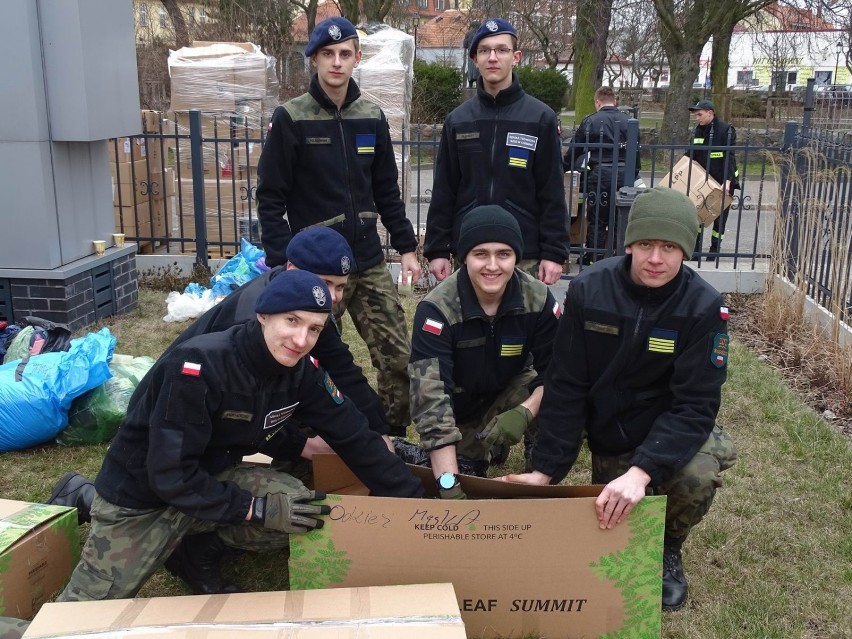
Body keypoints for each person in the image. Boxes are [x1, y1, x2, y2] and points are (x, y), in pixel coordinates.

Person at [55, 270, 423, 602]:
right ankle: (89, 499)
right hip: (142, 499)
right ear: (263, 315)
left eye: (314, 328)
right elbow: (170, 474)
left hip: (211, 479)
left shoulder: (302, 370)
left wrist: (418, 509)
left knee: (304, 510)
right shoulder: (198, 367)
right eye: (292, 321)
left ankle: (194, 550)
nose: (301, 339)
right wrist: (255, 509)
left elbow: (354, 436)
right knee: (77, 622)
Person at [502, 187, 737, 611]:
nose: (655, 259)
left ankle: (668, 548)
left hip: (663, 425)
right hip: (607, 424)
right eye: (645, 244)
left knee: (696, 475)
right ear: (629, 243)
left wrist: (642, 471)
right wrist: (548, 471)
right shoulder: (590, 290)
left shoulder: (703, 308)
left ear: (686, 251)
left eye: (669, 247)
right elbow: (567, 383)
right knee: (609, 517)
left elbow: (695, 406)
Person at [256, 17, 421, 437]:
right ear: (313, 59)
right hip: (313, 269)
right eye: (327, 54)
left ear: (356, 59)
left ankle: (390, 435)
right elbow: (271, 197)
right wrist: (281, 265)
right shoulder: (291, 117)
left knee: (398, 358)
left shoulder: (372, 116)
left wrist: (406, 247)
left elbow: (387, 190)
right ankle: (310, 439)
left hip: (366, 262)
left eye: (345, 54)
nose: (336, 62)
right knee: (306, 358)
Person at [408, 205, 559, 489]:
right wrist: (448, 484)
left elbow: (559, 371)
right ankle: (486, 448)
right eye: (481, 254)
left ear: (516, 257)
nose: (492, 266)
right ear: (464, 257)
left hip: (511, 391)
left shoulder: (538, 299)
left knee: (556, 400)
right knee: (467, 475)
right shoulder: (436, 310)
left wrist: (525, 412)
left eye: (503, 254)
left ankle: (537, 476)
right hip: (461, 406)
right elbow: (430, 399)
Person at [423, 18, 568, 286]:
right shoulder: (458, 120)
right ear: (474, 60)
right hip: (470, 250)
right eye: (484, 51)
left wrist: (554, 252)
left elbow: (552, 191)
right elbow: (444, 189)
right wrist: (437, 249)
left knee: (524, 327)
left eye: (501, 50)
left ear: (516, 57)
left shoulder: (540, 118)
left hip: (525, 254)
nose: (493, 57)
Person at [565, 86, 639, 265]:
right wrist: (633, 174)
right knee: (619, 218)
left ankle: (594, 257)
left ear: (597, 102)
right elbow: (636, 152)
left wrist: (564, 167)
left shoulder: (591, 121)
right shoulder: (628, 121)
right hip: (624, 173)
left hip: (601, 173)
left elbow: (576, 149)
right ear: (615, 101)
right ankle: (616, 257)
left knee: (597, 218)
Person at [687, 99, 739, 256]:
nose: (697, 118)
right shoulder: (698, 130)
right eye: (696, 116)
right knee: (698, 217)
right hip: (703, 182)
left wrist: (727, 182)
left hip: (723, 182)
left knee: (720, 220)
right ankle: (695, 251)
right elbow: (691, 154)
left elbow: (729, 157)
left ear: (710, 113)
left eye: (699, 115)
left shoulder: (726, 130)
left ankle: (714, 251)